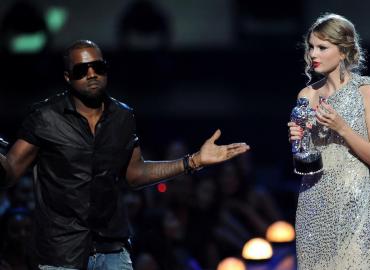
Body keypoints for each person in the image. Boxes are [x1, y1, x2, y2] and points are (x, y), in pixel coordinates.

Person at [0, 39, 250, 270]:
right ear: (67, 77)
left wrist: (193, 160)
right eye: (81, 70)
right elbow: (10, 173)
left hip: (112, 248)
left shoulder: (122, 116)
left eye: (98, 66)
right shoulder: (45, 117)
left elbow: (135, 174)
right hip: (61, 253)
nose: (91, 74)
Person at [288, 13, 370, 269]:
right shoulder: (307, 95)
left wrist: (341, 127)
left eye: (322, 47)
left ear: (343, 51)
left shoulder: (368, 91)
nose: (313, 54)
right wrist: (299, 143)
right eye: (311, 47)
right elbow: (303, 164)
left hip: (355, 210)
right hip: (314, 208)